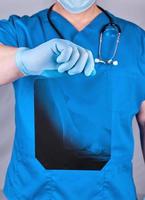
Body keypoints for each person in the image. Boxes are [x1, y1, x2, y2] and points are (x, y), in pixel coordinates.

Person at [0, 0, 145, 199]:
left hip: (112, 193)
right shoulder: (21, 31)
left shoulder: (137, 41)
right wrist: (23, 59)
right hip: (33, 192)